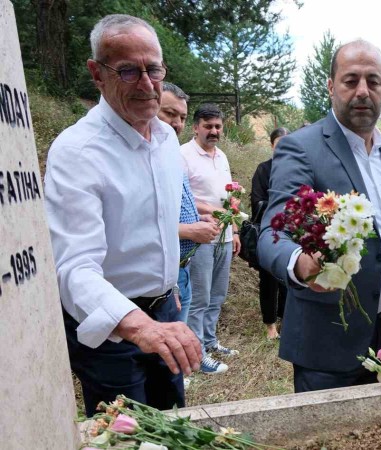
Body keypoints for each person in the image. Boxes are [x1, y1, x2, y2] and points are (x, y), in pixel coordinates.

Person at [44, 14, 202, 416]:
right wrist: (140, 325)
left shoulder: (166, 139)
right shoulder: (78, 151)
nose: (148, 85)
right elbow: (75, 268)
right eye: (129, 71)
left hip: (165, 312)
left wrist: (167, 282)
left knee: (172, 421)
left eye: (154, 70)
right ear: (97, 74)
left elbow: (158, 223)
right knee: (129, 434)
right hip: (112, 329)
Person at [258, 40, 381, 393]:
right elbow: (271, 233)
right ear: (330, 86)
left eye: (373, 81)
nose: (363, 91)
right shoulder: (302, 147)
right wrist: (298, 262)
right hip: (327, 337)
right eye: (351, 80)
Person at [180, 103, 240, 375]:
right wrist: (210, 210)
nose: (214, 131)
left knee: (217, 294)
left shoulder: (222, 156)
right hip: (200, 238)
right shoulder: (183, 155)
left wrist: (234, 230)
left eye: (217, 126)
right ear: (195, 127)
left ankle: (209, 340)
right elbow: (183, 196)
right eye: (208, 126)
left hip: (224, 236)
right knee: (199, 297)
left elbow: (226, 198)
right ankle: (198, 355)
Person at [158, 82, 221, 324]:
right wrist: (190, 230)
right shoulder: (180, 153)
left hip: (181, 267)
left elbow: (176, 204)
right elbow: (136, 226)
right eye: (170, 113)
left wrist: (197, 218)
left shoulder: (170, 151)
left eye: (181, 117)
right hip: (161, 275)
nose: (176, 123)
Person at [251, 127, 290, 340]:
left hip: (291, 232)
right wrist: (281, 207)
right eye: (278, 145)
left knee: (288, 276)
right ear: (271, 146)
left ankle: (286, 319)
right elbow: (256, 201)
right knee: (268, 280)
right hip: (268, 232)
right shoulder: (263, 170)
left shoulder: (295, 169)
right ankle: (270, 325)